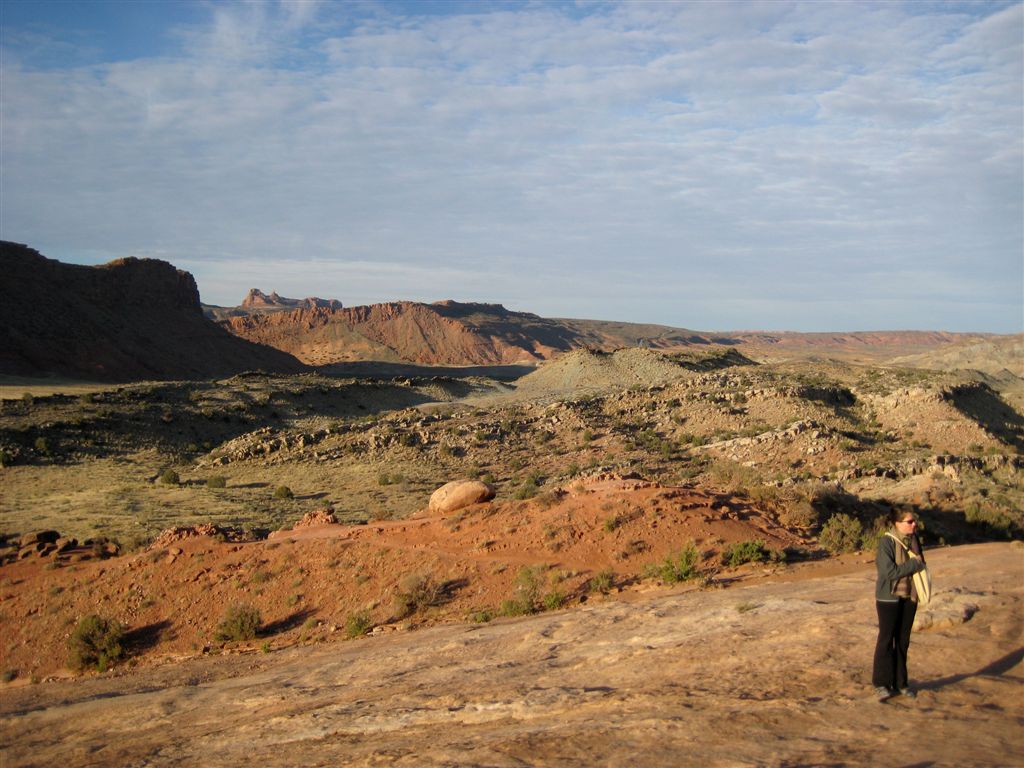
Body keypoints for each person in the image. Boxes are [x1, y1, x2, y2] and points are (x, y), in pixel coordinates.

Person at [872, 508, 927, 701]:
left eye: (914, 522)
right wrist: (915, 564)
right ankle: (881, 684)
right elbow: (888, 572)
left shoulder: (914, 540)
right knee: (886, 639)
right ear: (897, 523)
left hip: (909, 596)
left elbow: (921, 563)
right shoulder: (886, 542)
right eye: (909, 522)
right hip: (888, 597)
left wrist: (917, 563)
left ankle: (901, 683)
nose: (914, 525)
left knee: (903, 641)